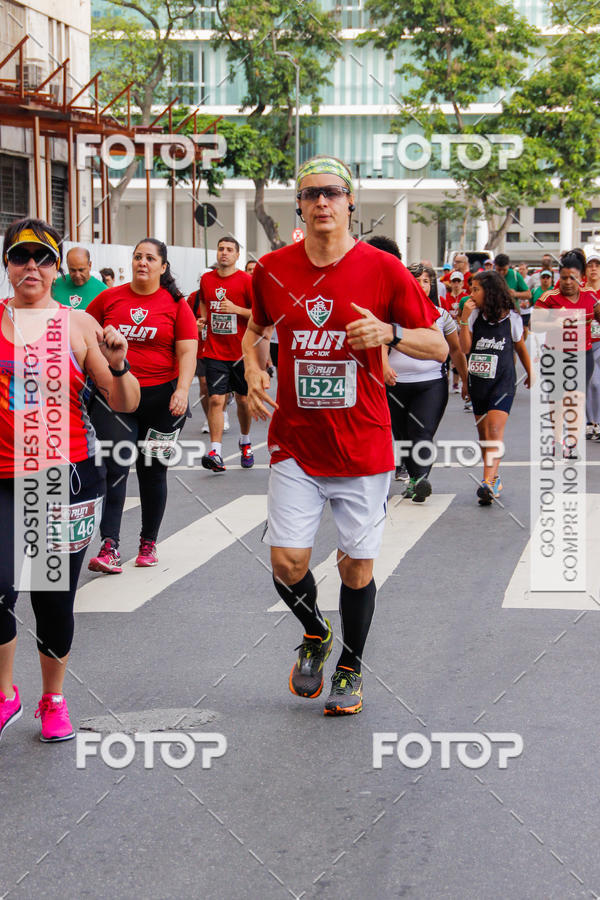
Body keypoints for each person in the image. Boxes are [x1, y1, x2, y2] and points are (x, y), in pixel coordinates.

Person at [242, 155, 445, 715]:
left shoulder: (383, 269)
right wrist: (255, 369)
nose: (323, 202)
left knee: (357, 566)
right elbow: (255, 329)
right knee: (286, 563)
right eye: (311, 195)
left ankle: (351, 667)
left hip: (363, 444)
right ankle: (316, 634)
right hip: (295, 442)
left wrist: (392, 332)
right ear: (300, 207)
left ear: (351, 202)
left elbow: (439, 344)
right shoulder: (273, 269)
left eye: (333, 192)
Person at [0, 218, 140, 743]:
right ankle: (5, 693)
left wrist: (121, 364)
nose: (30, 266)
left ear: (56, 267)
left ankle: (52, 698)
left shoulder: (79, 326)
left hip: (66, 476)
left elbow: (124, 405)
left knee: (50, 595)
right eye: (20, 256)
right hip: (4, 473)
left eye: (41, 257)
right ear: (8, 266)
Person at [86, 238, 197, 572]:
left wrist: (181, 390)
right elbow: (84, 335)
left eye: (150, 258)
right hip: (116, 398)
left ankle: (148, 542)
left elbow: (188, 351)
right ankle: (109, 546)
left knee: (152, 470)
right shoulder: (109, 297)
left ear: (163, 267)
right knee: (115, 468)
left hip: (163, 401)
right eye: (137, 257)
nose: (142, 262)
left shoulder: (177, 304)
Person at [383, 263, 469, 499]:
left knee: (421, 432)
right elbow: (379, 342)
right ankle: (413, 479)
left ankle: (421, 480)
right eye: (416, 280)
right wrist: (384, 366)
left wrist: (465, 380)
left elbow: (456, 350)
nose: (421, 285)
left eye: (425, 281)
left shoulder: (441, 316)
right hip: (395, 385)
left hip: (431, 384)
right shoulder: (391, 313)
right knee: (402, 436)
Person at [459, 271, 531, 504]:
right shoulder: (473, 316)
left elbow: (520, 348)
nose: (471, 294)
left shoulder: (512, 319)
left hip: (503, 382)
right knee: (484, 435)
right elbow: (465, 348)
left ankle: (487, 482)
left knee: (495, 431)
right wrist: (463, 319)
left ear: (489, 292)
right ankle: (494, 478)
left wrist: (531, 372)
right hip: (478, 381)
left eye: (476, 289)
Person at [534, 249, 600, 458]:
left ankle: (571, 443)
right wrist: (555, 322)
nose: (568, 282)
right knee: (558, 401)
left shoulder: (590, 297)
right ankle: (556, 439)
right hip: (555, 356)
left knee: (576, 400)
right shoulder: (550, 297)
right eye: (563, 278)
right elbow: (534, 324)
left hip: (583, 355)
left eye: (572, 277)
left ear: (580, 278)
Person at [198, 236, 254, 473]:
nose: (224, 253)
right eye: (221, 248)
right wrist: (202, 319)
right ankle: (216, 451)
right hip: (215, 351)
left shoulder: (246, 281)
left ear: (237, 255)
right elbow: (203, 301)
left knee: (243, 400)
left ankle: (245, 440)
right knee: (215, 399)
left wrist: (236, 309)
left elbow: (258, 316)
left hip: (241, 352)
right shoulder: (207, 279)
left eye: (229, 250)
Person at [584, 252, 600, 440]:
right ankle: (591, 423)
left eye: (597, 265)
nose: (594, 268)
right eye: (590, 265)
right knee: (591, 383)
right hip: (586, 343)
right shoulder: (580, 292)